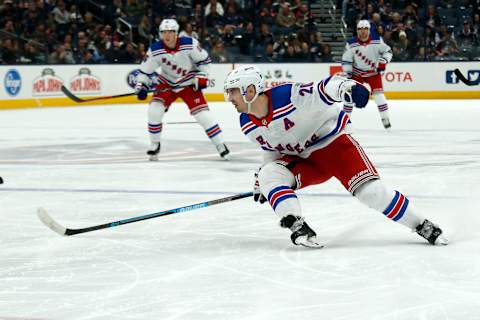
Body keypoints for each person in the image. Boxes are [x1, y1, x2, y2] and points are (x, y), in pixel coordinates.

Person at [223, 65, 448, 248]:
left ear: (250, 90)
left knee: (371, 193)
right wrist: (261, 180)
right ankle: (297, 226)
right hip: (306, 161)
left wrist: (349, 87)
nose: (229, 98)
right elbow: (271, 149)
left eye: (233, 91)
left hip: (334, 145)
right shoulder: (247, 123)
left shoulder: (288, 96)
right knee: (269, 174)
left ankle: (422, 224)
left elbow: (326, 87)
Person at [135, 19, 230, 161]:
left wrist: (202, 76)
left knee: (203, 115)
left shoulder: (189, 44)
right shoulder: (155, 50)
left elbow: (204, 62)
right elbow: (144, 72)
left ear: (176, 33)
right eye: (164, 32)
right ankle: (155, 144)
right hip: (167, 83)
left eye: (170, 32)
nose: (167, 35)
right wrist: (141, 85)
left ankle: (220, 144)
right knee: (154, 110)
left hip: (188, 83)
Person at [342, 20, 393, 129]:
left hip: (373, 73)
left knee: (379, 96)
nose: (363, 31)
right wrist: (348, 73)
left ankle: (385, 118)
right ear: (357, 30)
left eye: (365, 29)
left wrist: (383, 61)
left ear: (369, 30)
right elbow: (346, 59)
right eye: (360, 29)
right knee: (349, 97)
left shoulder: (377, 40)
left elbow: (388, 51)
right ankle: (345, 121)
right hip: (356, 74)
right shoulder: (351, 44)